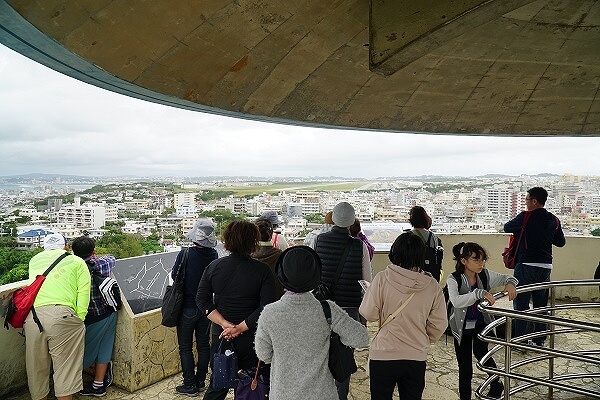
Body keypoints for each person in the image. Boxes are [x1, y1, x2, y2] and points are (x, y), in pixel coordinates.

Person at [255, 246, 369, 400]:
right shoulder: (327, 310)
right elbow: (362, 338)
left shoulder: (269, 313)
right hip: (323, 394)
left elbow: (264, 354)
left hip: (283, 394)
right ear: (315, 275)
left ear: (282, 275)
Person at [359, 232, 447, 400]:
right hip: (416, 356)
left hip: (384, 354)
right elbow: (439, 323)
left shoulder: (381, 279)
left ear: (394, 252)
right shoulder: (432, 285)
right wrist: (424, 339)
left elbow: (368, 313)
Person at [196, 220, 275, 400]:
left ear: (228, 241)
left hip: (222, 338)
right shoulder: (262, 271)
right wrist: (239, 328)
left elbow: (202, 300)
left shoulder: (214, 267)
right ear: (253, 241)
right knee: (252, 387)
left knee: (217, 387)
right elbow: (266, 308)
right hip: (252, 339)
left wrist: (225, 324)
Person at [314, 201, 372, 400]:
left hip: (323, 307)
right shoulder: (360, 246)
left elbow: (314, 274)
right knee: (344, 357)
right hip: (349, 309)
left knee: (321, 353)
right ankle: (340, 395)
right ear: (351, 222)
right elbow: (367, 282)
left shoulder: (319, 240)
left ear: (334, 219)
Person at [446, 242, 518, 400]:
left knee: (482, 355)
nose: (481, 263)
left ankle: (496, 383)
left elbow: (508, 277)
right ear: (463, 261)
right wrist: (479, 293)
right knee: (464, 367)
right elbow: (456, 301)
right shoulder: (453, 279)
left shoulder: (484, 274)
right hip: (461, 327)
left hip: (480, 324)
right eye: (476, 260)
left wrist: (511, 284)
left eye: (483, 260)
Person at [24, 233, 91, 400]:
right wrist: (79, 319)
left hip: (33, 317)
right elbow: (83, 293)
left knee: (36, 368)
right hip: (62, 317)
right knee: (65, 368)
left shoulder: (34, 260)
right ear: (66, 247)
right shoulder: (77, 262)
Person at [504, 187, 565, 346]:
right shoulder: (553, 219)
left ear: (534, 201)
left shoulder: (525, 217)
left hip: (525, 265)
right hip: (545, 266)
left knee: (521, 304)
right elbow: (561, 242)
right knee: (540, 305)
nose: (525, 202)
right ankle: (539, 340)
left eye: (526, 199)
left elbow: (507, 227)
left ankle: (521, 341)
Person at [171, 219, 219, 396]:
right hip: (206, 308)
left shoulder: (185, 254)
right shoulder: (213, 255)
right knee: (203, 345)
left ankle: (189, 384)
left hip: (187, 307)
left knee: (185, 347)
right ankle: (200, 381)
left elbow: (175, 274)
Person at [71, 236, 118, 397]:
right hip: (108, 312)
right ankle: (98, 385)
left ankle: (71, 383)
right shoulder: (102, 264)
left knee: (84, 351)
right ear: (93, 251)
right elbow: (112, 257)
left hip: (87, 316)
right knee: (105, 346)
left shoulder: (73, 268)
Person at [252, 218, 284, 299]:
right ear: (271, 235)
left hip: (252, 301)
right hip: (275, 300)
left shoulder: (247, 255)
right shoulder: (280, 255)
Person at [409, 206, 443, 282]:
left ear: (411, 219)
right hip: (431, 276)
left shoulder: (407, 237)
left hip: (411, 277)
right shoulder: (434, 238)